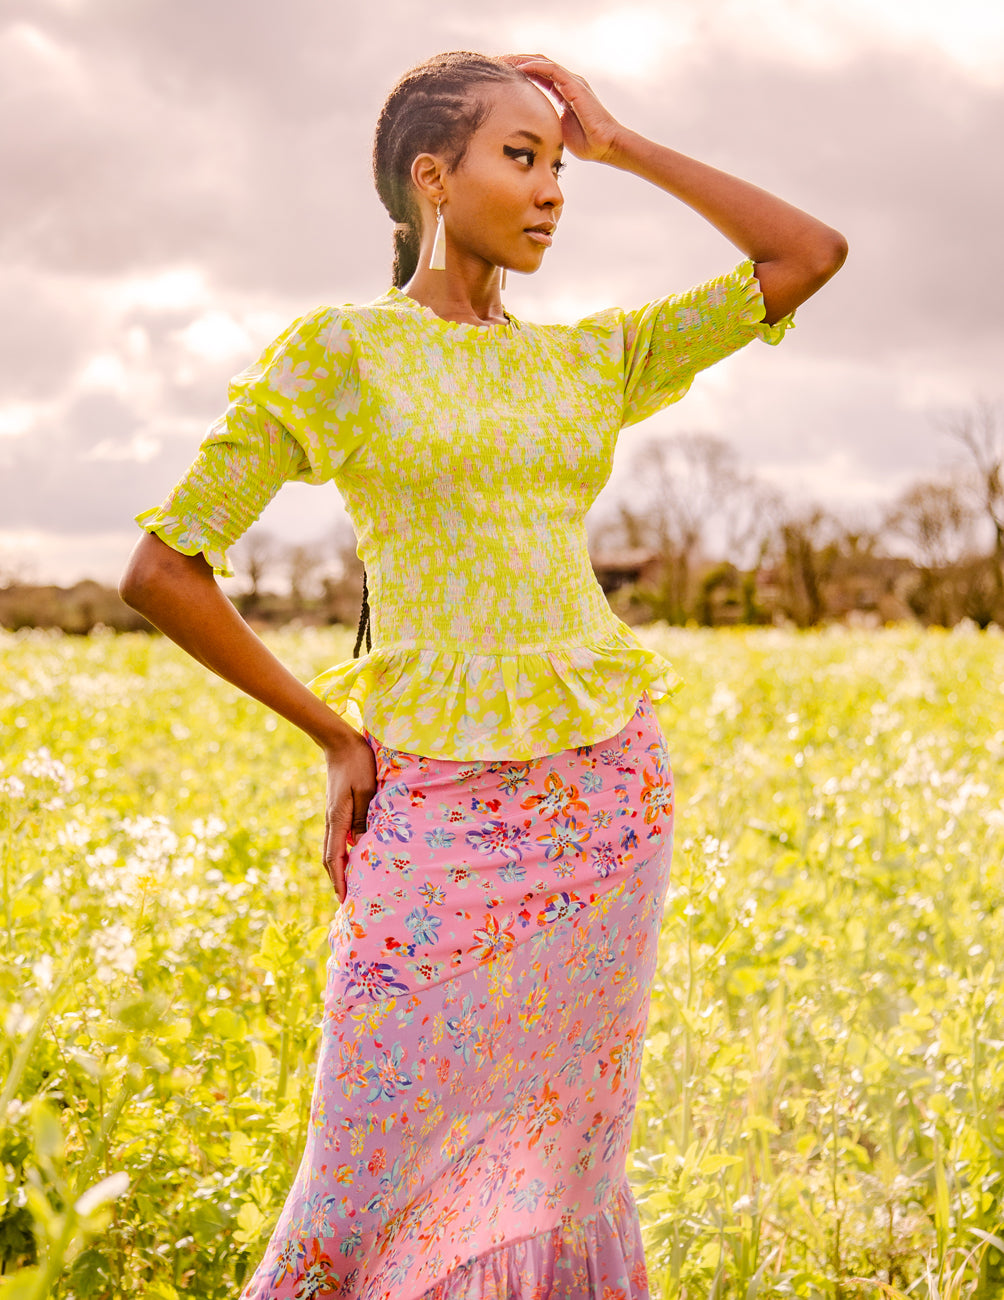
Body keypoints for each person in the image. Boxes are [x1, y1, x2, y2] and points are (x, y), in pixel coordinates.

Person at [120, 49, 846, 1300]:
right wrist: (335, 738)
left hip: (603, 805)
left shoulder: (586, 362)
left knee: (560, 1169)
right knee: (358, 1169)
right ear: (431, 179)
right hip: (433, 814)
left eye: (559, 166)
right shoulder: (339, 354)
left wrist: (620, 143)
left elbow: (806, 255)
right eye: (522, 157)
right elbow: (162, 568)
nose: (553, 189)